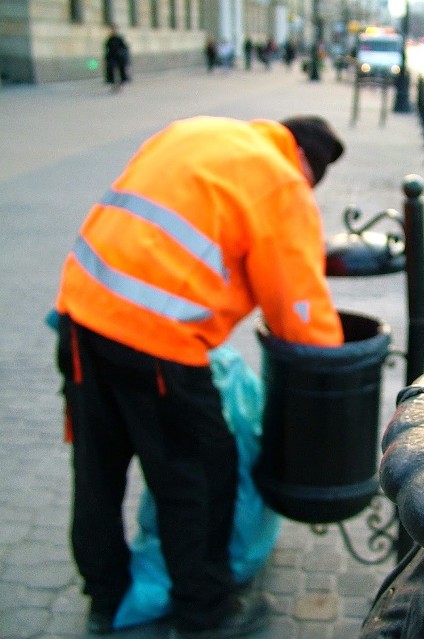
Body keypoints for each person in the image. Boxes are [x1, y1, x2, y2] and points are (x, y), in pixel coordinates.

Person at [53, 115, 346, 637]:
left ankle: (105, 598)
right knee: (202, 479)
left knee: (96, 471)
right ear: (305, 166)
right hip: (155, 344)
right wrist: (332, 378)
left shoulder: (196, 131)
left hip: (80, 315)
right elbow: (299, 314)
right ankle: (204, 612)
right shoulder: (282, 182)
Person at [104, 24, 130, 90]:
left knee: (122, 69)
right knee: (111, 69)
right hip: (112, 57)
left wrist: (122, 53)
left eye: (114, 29)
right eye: (111, 30)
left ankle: (123, 82)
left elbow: (125, 47)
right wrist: (106, 58)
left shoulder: (119, 39)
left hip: (120, 57)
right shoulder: (109, 39)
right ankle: (112, 82)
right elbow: (107, 48)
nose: (112, 31)